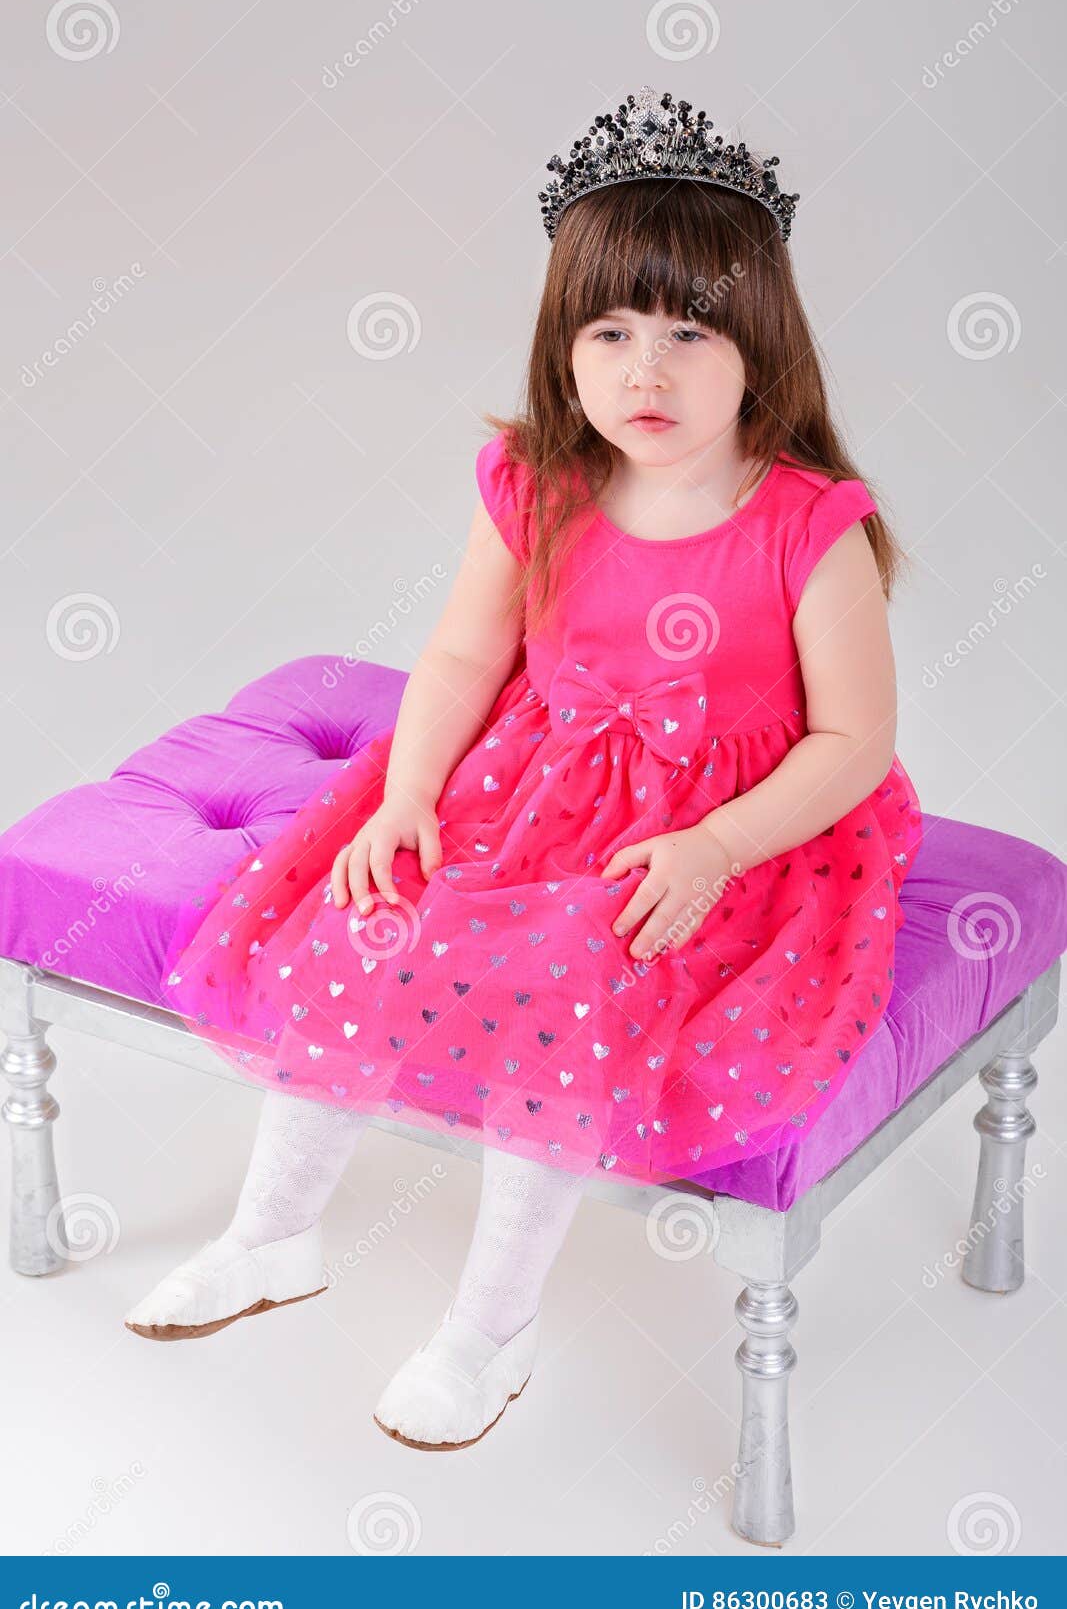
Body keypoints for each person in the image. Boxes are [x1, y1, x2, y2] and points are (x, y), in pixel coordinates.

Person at [128, 85, 923, 1452]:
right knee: (363, 915)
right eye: (608, 333)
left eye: (689, 333)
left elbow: (856, 741)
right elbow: (456, 661)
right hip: (533, 784)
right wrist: (408, 795)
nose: (645, 374)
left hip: (726, 830)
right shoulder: (539, 480)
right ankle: (272, 1234)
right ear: (564, 346)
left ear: (762, 349)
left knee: (571, 980)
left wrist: (718, 843)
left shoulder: (805, 524)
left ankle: (491, 1329)